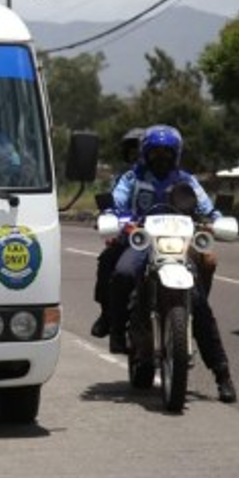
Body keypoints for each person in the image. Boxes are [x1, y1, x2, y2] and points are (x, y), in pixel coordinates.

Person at [106, 124, 238, 403]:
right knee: (123, 273)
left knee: (200, 304)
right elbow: (115, 204)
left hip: (179, 244)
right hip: (143, 241)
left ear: (176, 154)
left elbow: (207, 209)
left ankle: (222, 374)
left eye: (168, 152)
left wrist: (215, 220)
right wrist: (116, 217)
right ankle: (117, 331)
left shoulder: (187, 181)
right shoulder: (133, 178)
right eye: (156, 152)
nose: (161, 157)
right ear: (146, 153)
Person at [90, 127, 144, 339]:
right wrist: (109, 217)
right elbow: (113, 204)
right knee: (107, 261)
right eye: (133, 152)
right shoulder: (127, 178)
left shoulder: (176, 178)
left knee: (205, 260)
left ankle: (192, 309)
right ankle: (107, 315)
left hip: (167, 239)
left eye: (141, 151)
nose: (137, 156)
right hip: (131, 237)